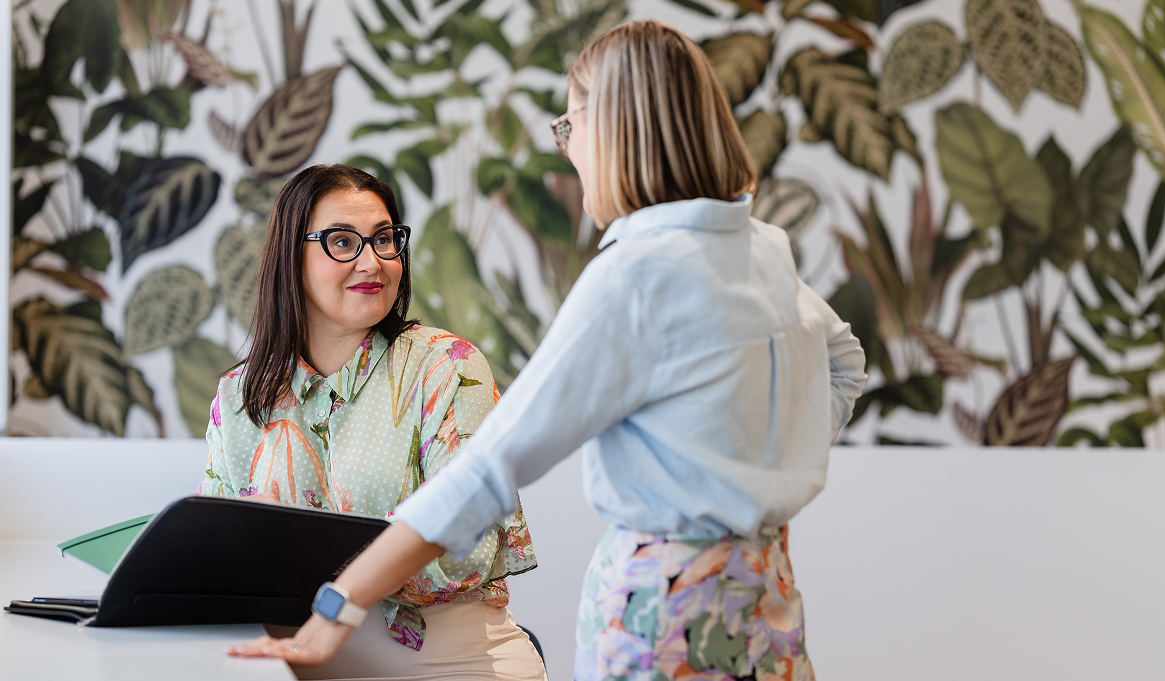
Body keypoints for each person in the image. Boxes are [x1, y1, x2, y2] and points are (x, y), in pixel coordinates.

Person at [230, 21, 868, 681]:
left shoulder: (634, 275)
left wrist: (339, 600)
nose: (568, 153)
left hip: (664, 610)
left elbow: (489, 468)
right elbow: (845, 364)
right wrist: (765, 470)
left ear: (618, 130)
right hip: (767, 591)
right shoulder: (760, 247)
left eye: (570, 128)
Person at [202, 164, 546, 681]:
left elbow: (467, 549)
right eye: (343, 242)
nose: (373, 262)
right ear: (289, 257)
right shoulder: (237, 398)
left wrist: (305, 564)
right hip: (288, 669)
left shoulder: (447, 367)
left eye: (385, 240)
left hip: (449, 663)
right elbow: (216, 560)